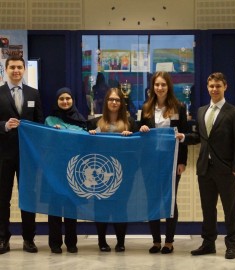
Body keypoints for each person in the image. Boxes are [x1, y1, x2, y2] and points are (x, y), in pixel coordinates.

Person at [176, 72, 235, 259]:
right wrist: (183, 138)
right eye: (211, 86)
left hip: (226, 170)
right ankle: (208, 244)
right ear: (208, 88)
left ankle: (231, 245)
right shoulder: (201, 111)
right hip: (204, 169)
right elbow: (199, 137)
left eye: (218, 86)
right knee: (208, 208)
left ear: (225, 87)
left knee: (230, 209)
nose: (214, 89)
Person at [139, 71, 188, 254]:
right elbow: (140, 134)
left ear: (169, 87)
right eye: (157, 85)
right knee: (152, 200)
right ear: (153, 87)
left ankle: (169, 241)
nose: (160, 88)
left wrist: (182, 162)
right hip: (150, 162)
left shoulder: (179, 107)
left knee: (170, 201)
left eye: (163, 85)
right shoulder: (146, 108)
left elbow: (184, 135)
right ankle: (156, 241)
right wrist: (141, 127)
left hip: (172, 160)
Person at [0, 55, 43, 254]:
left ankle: (29, 239)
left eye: (19, 67)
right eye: (12, 67)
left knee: (28, 197)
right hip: (4, 155)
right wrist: (4, 126)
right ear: (6, 69)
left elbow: (40, 124)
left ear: (24, 69)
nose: (16, 70)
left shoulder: (34, 93)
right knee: (3, 198)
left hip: (28, 155)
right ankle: (2, 239)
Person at [88, 87, 137, 252]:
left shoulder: (131, 124)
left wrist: (132, 137)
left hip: (124, 173)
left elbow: (140, 146)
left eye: (117, 100)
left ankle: (120, 242)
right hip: (100, 174)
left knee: (121, 206)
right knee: (100, 206)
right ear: (106, 102)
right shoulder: (95, 123)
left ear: (121, 103)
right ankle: (102, 241)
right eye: (111, 99)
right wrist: (90, 136)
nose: (114, 102)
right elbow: (85, 145)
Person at [45, 87, 87, 254]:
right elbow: (45, 142)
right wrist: (51, 133)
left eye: (68, 98)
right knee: (54, 208)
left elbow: (84, 143)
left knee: (71, 208)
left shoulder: (81, 120)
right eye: (61, 98)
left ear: (73, 100)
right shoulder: (49, 120)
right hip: (54, 169)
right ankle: (55, 243)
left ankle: (71, 243)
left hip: (73, 170)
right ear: (57, 101)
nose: (65, 101)